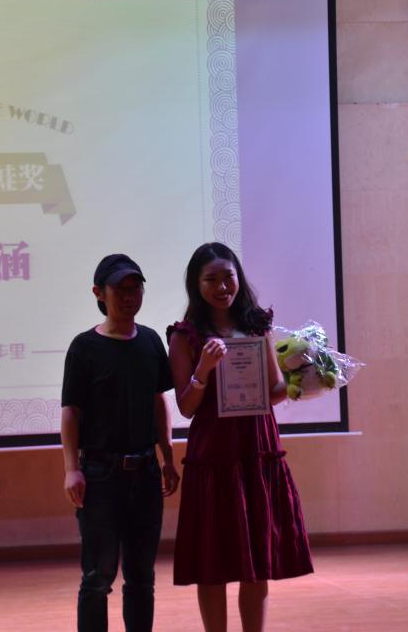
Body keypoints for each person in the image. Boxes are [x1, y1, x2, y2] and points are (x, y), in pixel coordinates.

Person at [167, 242, 313, 632]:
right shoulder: (185, 336)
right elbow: (186, 407)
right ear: (196, 284)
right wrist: (204, 368)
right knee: (212, 563)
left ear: (239, 278)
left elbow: (273, 390)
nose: (221, 287)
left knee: (257, 561)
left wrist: (307, 379)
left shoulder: (256, 326)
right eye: (210, 279)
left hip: (256, 448)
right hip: (214, 453)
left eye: (227, 277)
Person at [61, 253, 181, 632]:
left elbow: (158, 402)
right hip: (100, 476)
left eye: (135, 288)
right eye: (120, 290)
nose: (130, 297)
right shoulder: (84, 348)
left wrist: (167, 458)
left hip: (145, 474)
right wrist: (71, 469)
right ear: (99, 293)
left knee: (142, 577)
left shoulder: (150, 341)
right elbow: (71, 412)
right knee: (97, 577)